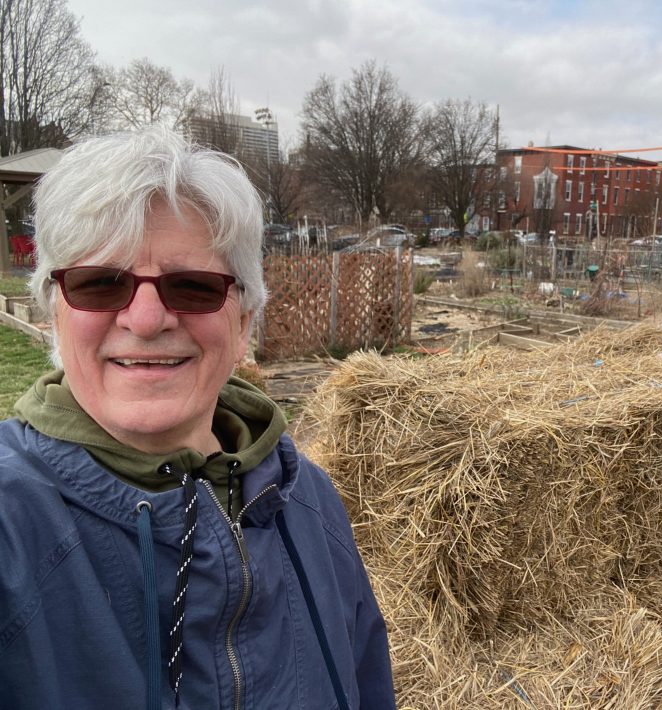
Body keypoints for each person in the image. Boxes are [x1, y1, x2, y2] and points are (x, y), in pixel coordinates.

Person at [0, 128, 396, 710]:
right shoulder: (11, 523)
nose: (146, 319)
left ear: (243, 321)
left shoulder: (306, 500)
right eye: (101, 283)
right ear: (55, 312)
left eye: (192, 286)